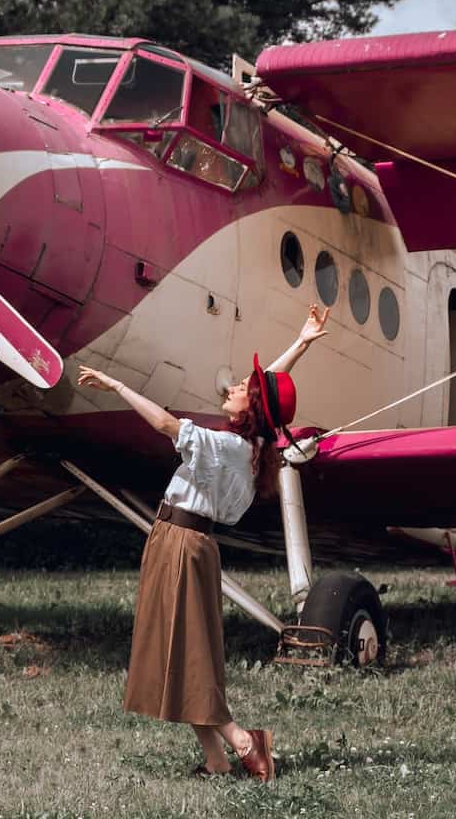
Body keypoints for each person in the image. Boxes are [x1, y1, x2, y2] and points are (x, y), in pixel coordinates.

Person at [76, 305, 331, 781]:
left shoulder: (227, 447)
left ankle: (241, 742)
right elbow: (267, 393)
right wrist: (302, 341)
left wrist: (117, 386)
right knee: (181, 651)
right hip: (181, 540)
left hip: (181, 543)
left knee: (187, 654)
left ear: (251, 411)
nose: (234, 387)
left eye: (242, 390)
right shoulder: (253, 448)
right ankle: (217, 761)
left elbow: (165, 426)